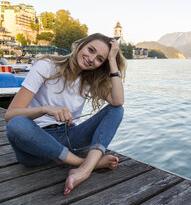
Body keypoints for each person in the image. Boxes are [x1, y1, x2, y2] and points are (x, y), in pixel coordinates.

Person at [4, 33, 126, 195]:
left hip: (68, 139)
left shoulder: (89, 79)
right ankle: (86, 163)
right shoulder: (46, 66)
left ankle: (84, 170)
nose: (91, 59)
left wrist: (112, 60)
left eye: (99, 59)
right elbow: (10, 115)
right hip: (35, 145)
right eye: (90, 50)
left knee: (116, 110)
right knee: (16, 124)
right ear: (81, 44)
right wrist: (45, 109)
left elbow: (118, 101)